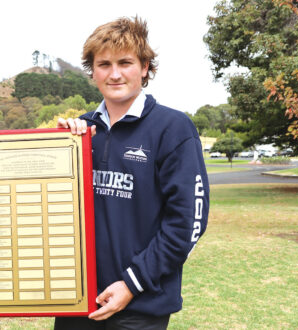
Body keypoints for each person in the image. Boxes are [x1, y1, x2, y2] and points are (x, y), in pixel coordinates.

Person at [55, 16, 209, 329]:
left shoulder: (173, 128)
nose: (114, 74)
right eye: (103, 64)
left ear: (144, 67)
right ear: (92, 71)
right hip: (77, 300)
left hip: (140, 303)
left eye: (125, 63)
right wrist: (56, 150)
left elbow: (187, 223)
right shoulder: (80, 133)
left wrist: (132, 283)